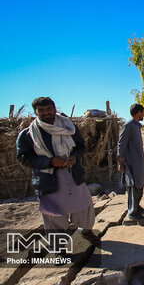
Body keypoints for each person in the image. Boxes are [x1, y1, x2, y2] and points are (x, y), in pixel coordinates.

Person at [16, 97, 98, 253]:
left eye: (48, 109)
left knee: (84, 206)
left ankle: (86, 231)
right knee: (53, 215)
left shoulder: (69, 127)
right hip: (48, 180)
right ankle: (59, 248)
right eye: (41, 110)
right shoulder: (28, 134)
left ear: (54, 109)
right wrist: (50, 162)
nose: (46, 113)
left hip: (72, 174)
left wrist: (75, 156)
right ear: (36, 112)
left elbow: (81, 147)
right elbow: (23, 157)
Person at [117, 103, 144, 220]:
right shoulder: (129, 125)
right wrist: (121, 161)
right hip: (132, 162)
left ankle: (137, 207)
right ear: (139, 112)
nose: (143, 115)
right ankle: (132, 212)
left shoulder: (136, 125)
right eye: (143, 112)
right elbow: (121, 144)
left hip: (138, 162)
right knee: (133, 186)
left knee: (140, 184)